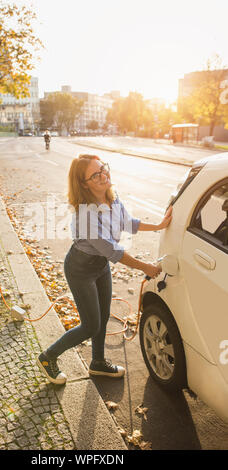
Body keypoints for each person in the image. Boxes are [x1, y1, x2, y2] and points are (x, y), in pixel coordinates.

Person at [37, 154, 173, 385]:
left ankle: (98, 363)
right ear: (84, 183)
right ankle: (47, 357)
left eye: (104, 169)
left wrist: (159, 225)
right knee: (91, 325)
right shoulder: (85, 216)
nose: (104, 175)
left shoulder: (113, 197)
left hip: (100, 265)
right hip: (80, 269)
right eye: (96, 174)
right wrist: (147, 268)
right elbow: (113, 252)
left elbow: (128, 223)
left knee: (104, 316)